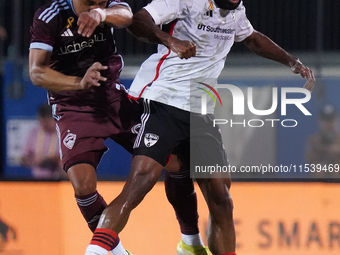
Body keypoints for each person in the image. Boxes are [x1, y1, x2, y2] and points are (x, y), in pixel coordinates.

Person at [83, 0, 316, 255]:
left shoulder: (236, 10)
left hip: (200, 113)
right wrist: (171, 41)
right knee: (141, 180)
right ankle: (97, 250)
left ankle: (192, 245)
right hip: (164, 100)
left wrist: (293, 62)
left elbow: (253, 38)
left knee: (221, 198)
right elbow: (138, 21)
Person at [29, 1, 207, 254]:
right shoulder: (50, 16)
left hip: (115, 101)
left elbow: (126, 16)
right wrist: (79, 82)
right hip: (73, 108)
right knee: (83, 186)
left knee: (177, 162)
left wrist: (101, 13)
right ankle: (117, 251)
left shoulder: (105, 5)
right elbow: (36, 72)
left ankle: (190, 242)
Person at [21, 103, 66, 179]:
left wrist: (51, 159)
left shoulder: (63, 133)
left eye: (48, 121)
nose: (45, 124)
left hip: (59, 178)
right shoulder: (34, 132)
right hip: (37, 179)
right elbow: (24, 158)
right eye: (42, 121)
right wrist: (33, 160)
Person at [305, 103, 340, 178]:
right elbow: (309, 159)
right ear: (320, 121)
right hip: (320, 182)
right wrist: (323, 150)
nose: (329, 124)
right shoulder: (314, 140)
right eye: (326, 121)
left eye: (331, 120)